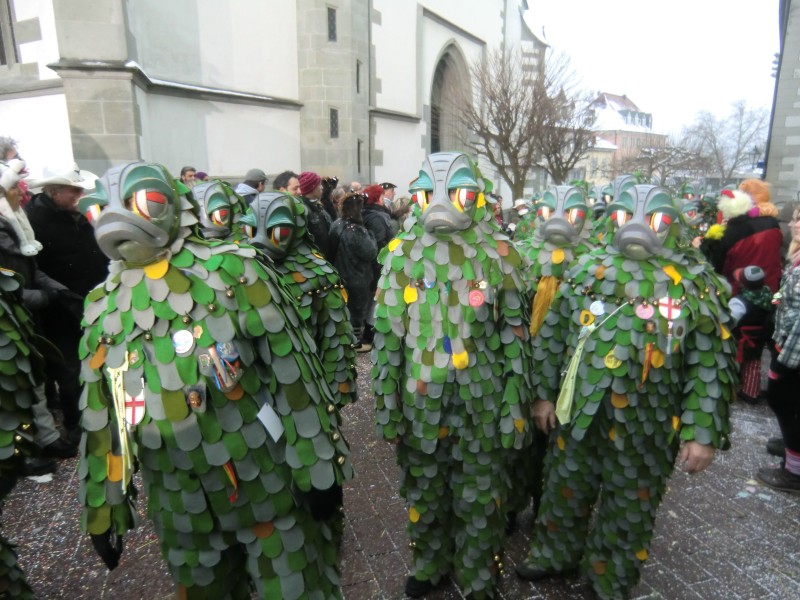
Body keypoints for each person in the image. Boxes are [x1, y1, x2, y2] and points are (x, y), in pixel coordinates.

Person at [78, 162, 351, 598]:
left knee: (296, 585)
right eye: (97, 211)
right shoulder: (102, 309)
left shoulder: (237, 272)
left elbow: (293, 376)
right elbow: (103, 414)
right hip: (180, 504)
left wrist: (319, 466)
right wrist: (104, 505)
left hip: (268, 485)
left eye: (146, 201)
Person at [516, 184, 737, 600]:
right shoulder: (587, 271)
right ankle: (553, 553)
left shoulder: (694, 285)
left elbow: (710, 363)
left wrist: (701, 432)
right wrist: (542, 396)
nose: (636, 227)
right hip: (577, 413)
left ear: (673, 223)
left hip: (647, 426)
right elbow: (553, 338)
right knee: (565, 485)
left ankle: (609, 576)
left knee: (630, 503)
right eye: (624, 217)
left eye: (654, 220)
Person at [372, 152, 533, 599]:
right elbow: (387, 342)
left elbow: (515, 342)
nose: (439, 203)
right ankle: (430, 563)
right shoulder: (400, 256)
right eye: (426, 194)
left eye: (458, 193)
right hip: (420, 402)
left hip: (482, 402)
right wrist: (387, 408)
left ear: (476, 197)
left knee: (481, 492)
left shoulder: (501, 256)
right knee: (424, 490)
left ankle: (478, 572)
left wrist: (514, 407)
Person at [0, 160, 79, 466]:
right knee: (13, 388)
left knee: (32, 379)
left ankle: (43, 439)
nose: (23, 194)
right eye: (16, 189)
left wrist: (56, 289)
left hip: (23, 320)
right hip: (9, 321)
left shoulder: (15, 222)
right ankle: (24, 451)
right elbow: (8, 287)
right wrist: (42, 296)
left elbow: (31, 269)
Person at [25, 164, 107, 443]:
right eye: (74, 190)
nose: (80, 194)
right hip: (60, 309)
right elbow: (34, 268)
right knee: (70, 369)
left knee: (97, 361)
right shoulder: (35, 219)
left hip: (91, 300)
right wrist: (59, 295)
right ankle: (77, 426)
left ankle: (100, 416)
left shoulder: (79, 215)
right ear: (55, 191)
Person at [757, 206, 800, 493]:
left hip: (794, 358)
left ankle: (794, 472)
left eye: (799, 219)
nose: (793, 224)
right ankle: (792, 448)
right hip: (786, 347)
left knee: (789, 405)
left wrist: (783, 363)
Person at [328, 192, 378, 353]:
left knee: (343, 309)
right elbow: (370, 252)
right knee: (357, 311)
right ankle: (355, 341)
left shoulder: (336, 224)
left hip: (340, 274)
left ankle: (342, 338)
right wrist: (371, 235)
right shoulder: (358, 230)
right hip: (358, 277)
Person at [728, 266, 775, 404]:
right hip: (759, 338)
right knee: (753, 363)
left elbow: (730, 321)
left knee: (732, 362)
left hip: (739, 339)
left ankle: (729, 387)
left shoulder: (739, 302)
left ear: (743, 284)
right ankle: (751, 392)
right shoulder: (768, 295)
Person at [361, 184, 394, 350]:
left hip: (375, 265)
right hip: (378, 265)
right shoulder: (376, 217)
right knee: (375, 300)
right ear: (377, 198)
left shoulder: (374, 214)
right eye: (381, 195)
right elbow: (380, 243)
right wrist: (381, 266)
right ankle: (369, 333)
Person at [298, 170, 333, 257]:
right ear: (312, 187)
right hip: (316, 258)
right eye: (319, 185)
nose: (322, 187)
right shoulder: (303, 210)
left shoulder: (317, 206)